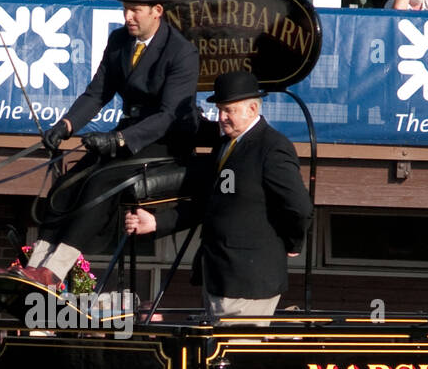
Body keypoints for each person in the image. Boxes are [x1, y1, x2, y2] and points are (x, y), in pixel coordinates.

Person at [20, 0, 200, 289]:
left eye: (135, 11)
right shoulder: (119, 41)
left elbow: (168, 115)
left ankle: (55, 271)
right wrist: (65, 126)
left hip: (166, 141)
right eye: (125, 9)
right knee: (70, 181)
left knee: (100, 180)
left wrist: (118, 139)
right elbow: (97, 93)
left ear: (157, 10)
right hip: (129, 132)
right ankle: (35, 264)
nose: (128, 16)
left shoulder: (180, 51)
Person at [124, 71, 312, 321]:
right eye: (220, 110)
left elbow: (299, 207)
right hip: (217, 277)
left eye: (229, 110)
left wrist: (292, 242)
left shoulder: (272, 147)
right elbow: (209, 203)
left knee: (235, 354)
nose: (221, 118)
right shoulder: (225, 146)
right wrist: (158, 222)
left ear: (252, 108)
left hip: (248, 282)